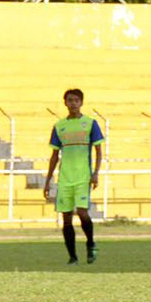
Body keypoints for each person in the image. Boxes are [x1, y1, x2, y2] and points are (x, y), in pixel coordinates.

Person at [42, 88, 103, 264]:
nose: (73, 103)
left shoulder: (91, 123)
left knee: (83, 213)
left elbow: (98, 151)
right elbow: (54, 156)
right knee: (66, 217)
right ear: (65, 103)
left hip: (83, 177)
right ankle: (73, 256)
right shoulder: (59, 126)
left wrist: (96, 173)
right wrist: (47, 181)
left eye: (76, 100)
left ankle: (91, 243)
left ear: (81, 103)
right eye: (70, 100)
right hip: (65, 179)